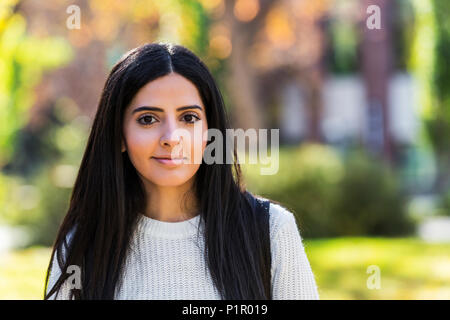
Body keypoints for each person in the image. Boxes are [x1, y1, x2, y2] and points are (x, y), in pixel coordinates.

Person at [44, 42, 319, 300]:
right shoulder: (81, 246)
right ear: (119, 135)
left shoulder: (270, 231)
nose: (172, 137)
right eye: (148, 119)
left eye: (189, 118)